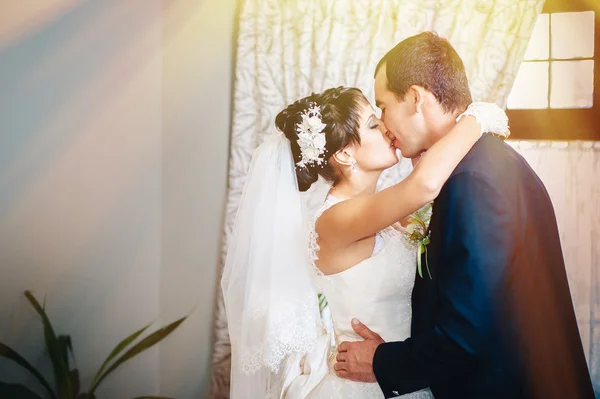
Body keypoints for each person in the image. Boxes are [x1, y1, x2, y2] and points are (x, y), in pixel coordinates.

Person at [334, 32, 595, 399]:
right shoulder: (480, 161)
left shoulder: (473, 180)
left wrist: (381, 362)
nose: (383, 121)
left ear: (415, 98)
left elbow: (465, 334)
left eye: (383, 105)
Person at [222, 81, 509, 397]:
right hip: (362, 385)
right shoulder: (335, 219)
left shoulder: (385, 215)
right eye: (374, 124)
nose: (387, 128)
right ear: (345, 153)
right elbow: (424, 185)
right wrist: (478, 118)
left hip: (400, 371)